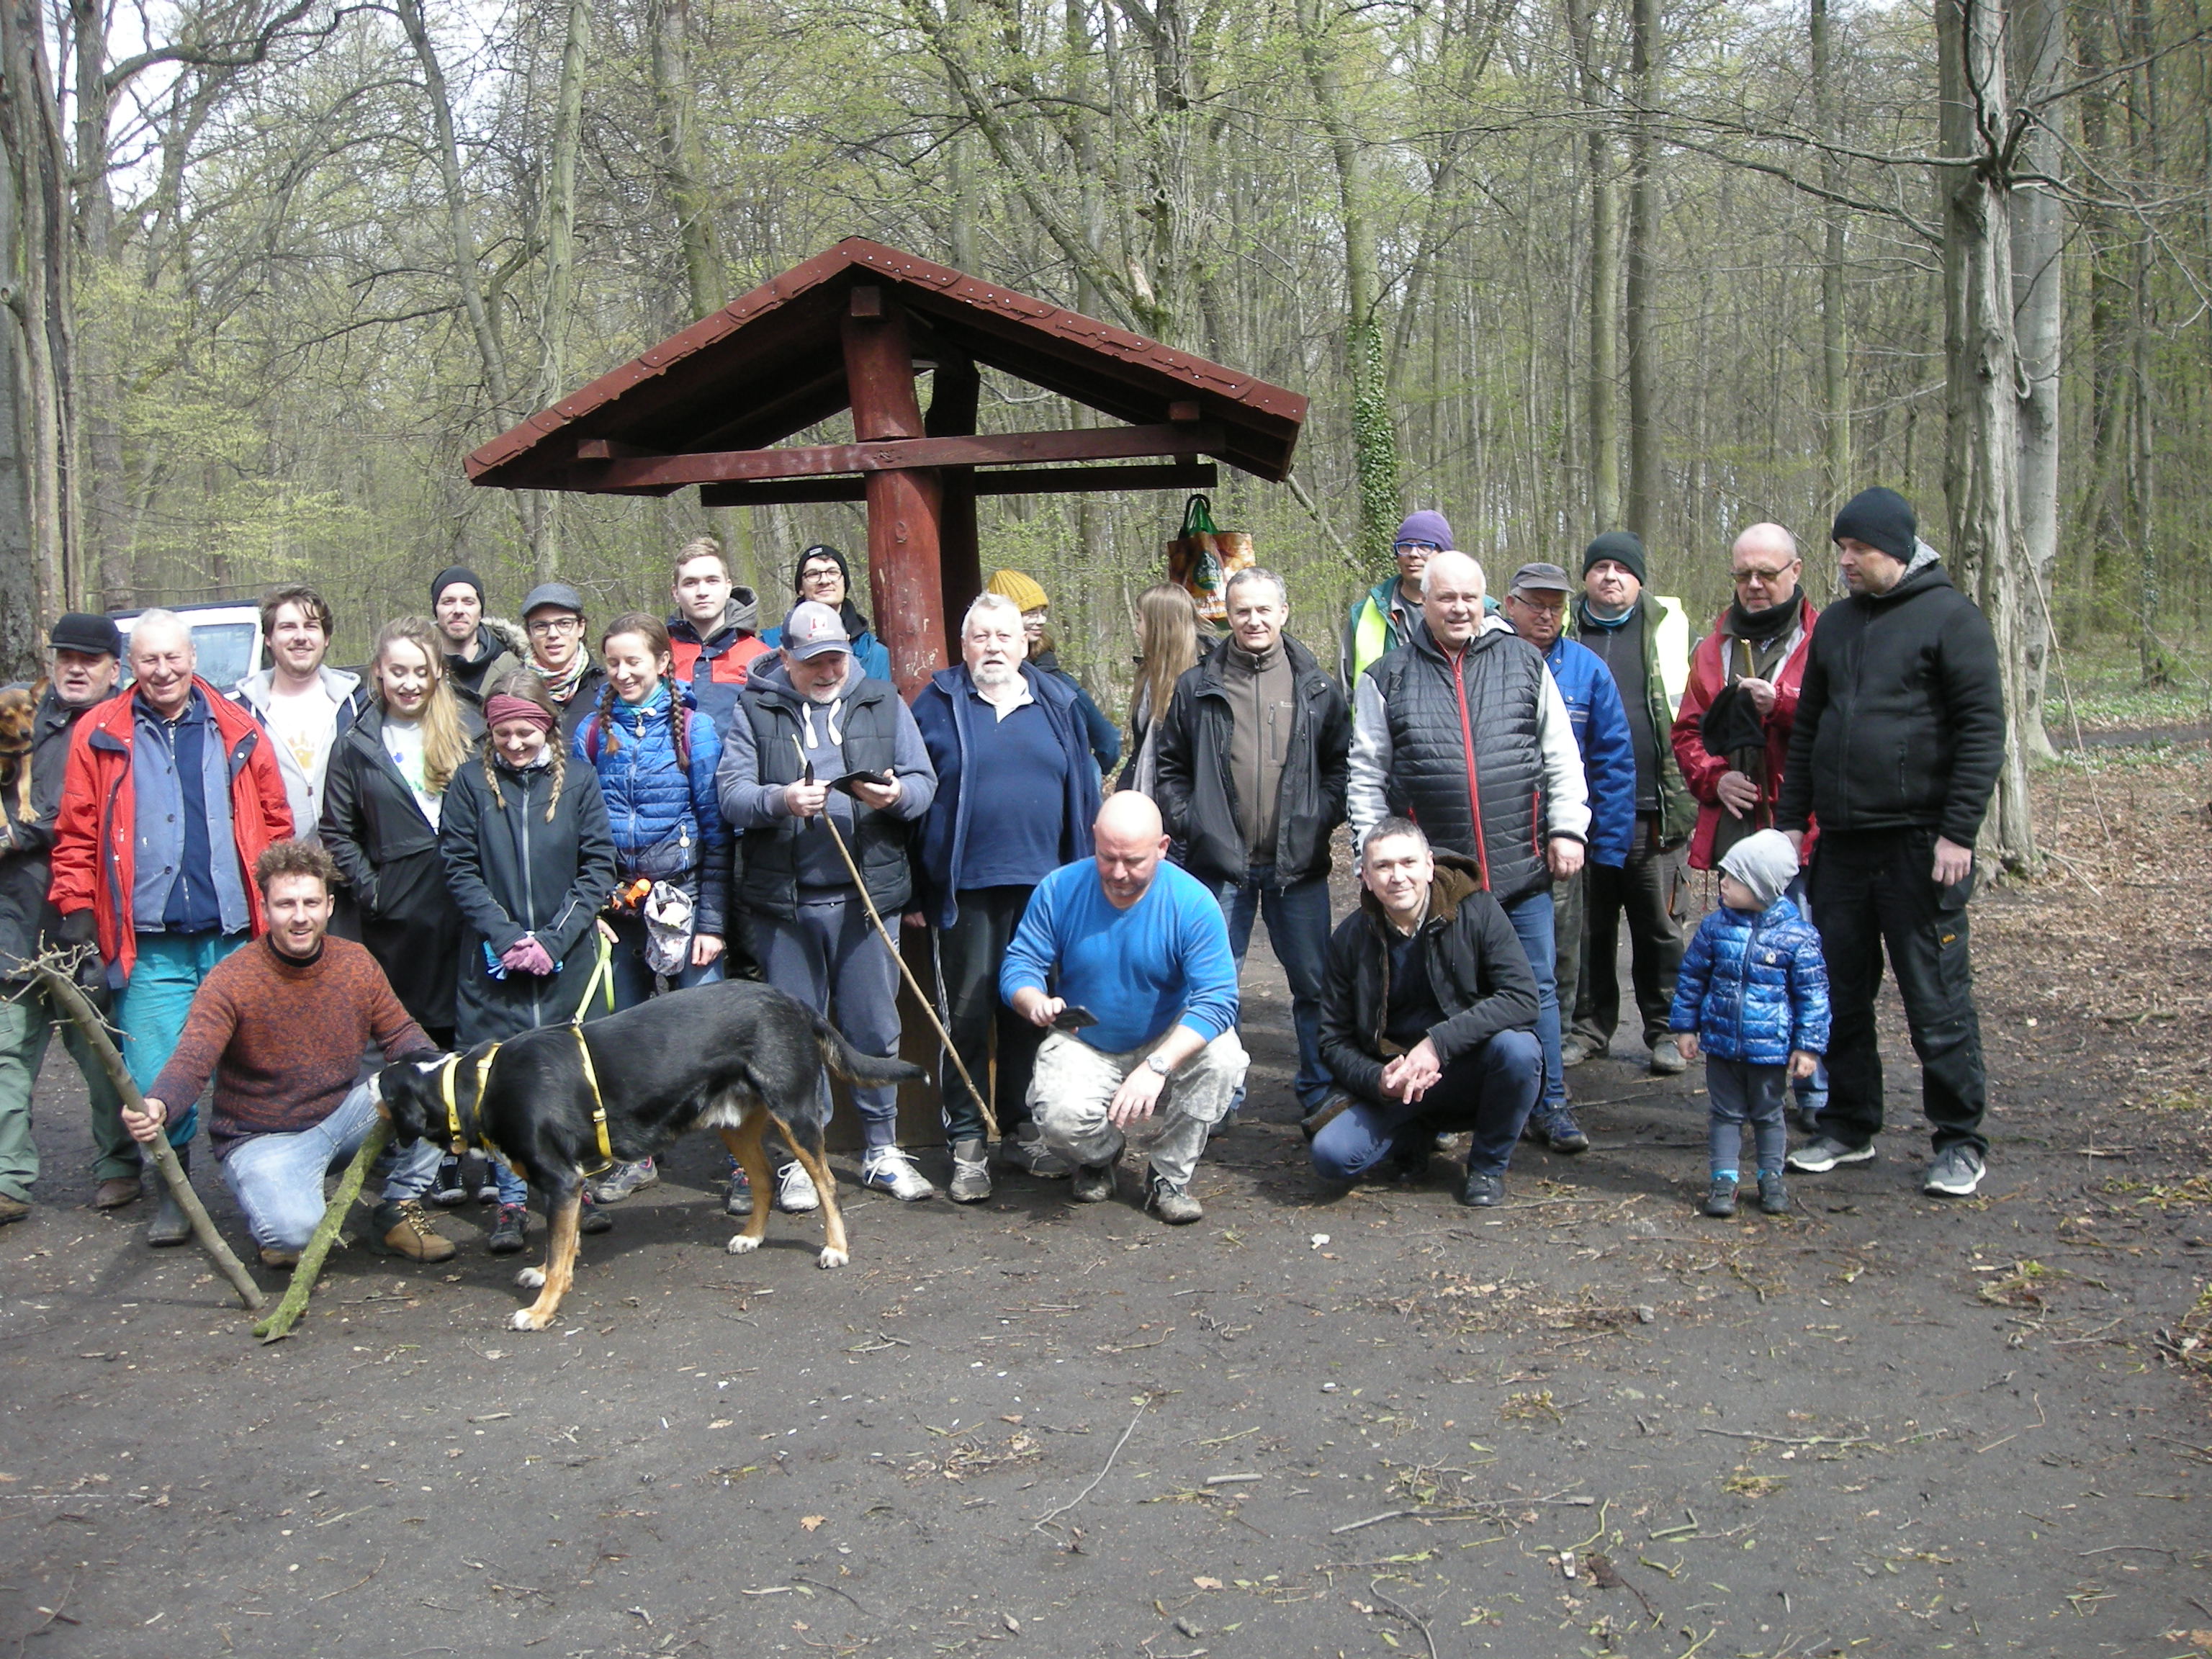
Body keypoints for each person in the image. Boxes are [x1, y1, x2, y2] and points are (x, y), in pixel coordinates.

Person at [1777, 488, 2005, 1198]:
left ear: (1897, 551)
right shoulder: (1837, 626)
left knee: (1935, 1001)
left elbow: (1981, 732)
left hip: (1919, 845)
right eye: (1840, 548)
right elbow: (1809, 726)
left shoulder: (1952, 619)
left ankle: (1960, 1140)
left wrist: (1957, 832)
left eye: (1858, 551)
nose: (1844, 561)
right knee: (1839, 994)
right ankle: (1848, 1125)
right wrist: (1792, 820)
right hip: (1841, 845)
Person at [48, 609, 295, 1246]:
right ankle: (174, 1192)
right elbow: (75, 833)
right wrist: (76, 913)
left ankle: (269, 1187)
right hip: (149, 940)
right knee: (158, 1072)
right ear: (132, 665)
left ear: (193, 659)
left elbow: (274, 820)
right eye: (149, 660)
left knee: (256, 1068)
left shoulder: (238, 727)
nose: (163, 671)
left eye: (173, 659)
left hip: (234, 934)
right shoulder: (99, 733)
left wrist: (281, 901)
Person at [1346, 549, 1589, 1169]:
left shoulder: (1524, 663)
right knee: (1440, 993)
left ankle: (1550, 1104)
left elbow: (1560, 755)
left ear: (1484, 602)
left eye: (1468, 598)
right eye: (1444, 597)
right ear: (1420, 602)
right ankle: (1447, 1107)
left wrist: (1568, 828)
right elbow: (1367, 775)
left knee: (1536, 987)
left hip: (1521, 865)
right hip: (1440, 881)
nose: (1458, 608)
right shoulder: (1386, 676)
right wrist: (1369, 861)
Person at [122, 841, 457, 1267]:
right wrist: (160, 1103)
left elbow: (401, 1034)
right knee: (295, 1233)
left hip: (340, 1120)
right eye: (286, 904)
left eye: (311, 903)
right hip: (262, 1139)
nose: (300, 917)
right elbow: (193, 1058)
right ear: (264, 908)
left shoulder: (355, 963)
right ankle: (276, 1212)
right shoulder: (233, 979)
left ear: (330, 906)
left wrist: (445, 1071)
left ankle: (396, 1211)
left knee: (438, 1082)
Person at [716, 600, 938, 1208]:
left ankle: (882, 1150)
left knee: (873, 1027)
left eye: (836, 657)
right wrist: (780, 800)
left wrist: (894, 795)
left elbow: (925, 785)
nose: (826, 670)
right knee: (793, 1039)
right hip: (784, 905)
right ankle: (801, 1159)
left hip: (868, 901)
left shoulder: (883, 701)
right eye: (812, 660)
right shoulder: (754, 709)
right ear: (785, 657)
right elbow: (731, 795)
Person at [911, 593, 1102, 1202]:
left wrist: (1087, 878)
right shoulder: (937, 704)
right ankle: (968, 1145)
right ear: (963, 645)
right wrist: (918, 886)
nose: (992, 648)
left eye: (1004, 637)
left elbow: (1087, 789)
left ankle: (1022, 1132)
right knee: (965, 1017)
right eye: (980, 637)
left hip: (1047, 890)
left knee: (1032, 1015)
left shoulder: (1058, 701)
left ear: (1025, 645)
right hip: (963, 890)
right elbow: (911, 804)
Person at [1153, 566, 1349, 1128]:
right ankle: (1222, 1095)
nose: (1254, 620)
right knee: (1215, 985)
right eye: (1243, 611)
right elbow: (1171, 769)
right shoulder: (1197, 687)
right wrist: (1196, 823)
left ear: (1284, 613)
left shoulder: (1315, 687)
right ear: (1228, 615)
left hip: (1299, 866)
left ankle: (1319, 1089)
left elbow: (1342, 764)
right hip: (1222, 868)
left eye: (1265, 609)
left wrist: (1320, 817)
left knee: (1313, 984)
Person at [1000, 792, 1246, 1224]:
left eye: (1133, 861)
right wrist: (1033, 1000)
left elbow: (1218, 999)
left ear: (1163, 848)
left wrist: (1157, 1066)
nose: (1118, 873)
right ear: (1093, 839)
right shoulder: (1060, 888)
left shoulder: (1192, 902)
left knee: (1224, 1060)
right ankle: (1100, 1155)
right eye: (1107, 857)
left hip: (1168, 1030)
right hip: (1087, 1036)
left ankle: (1169, 1175)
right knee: (1057, 1116)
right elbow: (1019, 965)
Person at [439, 670, 619, 1253]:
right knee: (497, 1078)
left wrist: (553, 942)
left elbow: (598, 868)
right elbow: (459, 867)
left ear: (546, 727)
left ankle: (576, 1185)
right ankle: (510, 1198)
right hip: (493, 966)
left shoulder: (580, 783)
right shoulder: (469, 784)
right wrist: (509, 937)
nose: (515, 743)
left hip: (567, 961)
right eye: (504, 734)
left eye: (526, 731)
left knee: (571, 1078)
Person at [1671, 523, 1825, 1126]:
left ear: (1796, 571)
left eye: (1767, 573)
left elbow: (1834, 724)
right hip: (1739, 833)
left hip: (1804, 831)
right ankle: (1747, 1100)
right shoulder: (1713, 648)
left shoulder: (1824, 638)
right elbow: (1687, 733)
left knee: (1804, 962)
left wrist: (1780, 705)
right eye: (1744, 575)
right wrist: (1715, 777)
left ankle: (1815, 1097)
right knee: (1741, 961)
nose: (1755, 586)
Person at [575, 612, 731, 1203]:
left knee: (709, 1037)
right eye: (612, 663)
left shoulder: (696, 731)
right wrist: (593, 908)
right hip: (619, 911)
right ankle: (635, 1154)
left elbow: (719, 837)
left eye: (634, 661)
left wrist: (712, 924)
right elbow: (582, 833)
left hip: (687, 901)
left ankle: (740, 1161)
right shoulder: (591, 733)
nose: (623, 673)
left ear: (664, 662)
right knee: (619, 1040)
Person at [1308, 818, 1542, 1206]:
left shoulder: (1478, 910)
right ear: (1365, 876)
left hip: (1467, 1064)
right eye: (1383, 867)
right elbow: (1332, 1040)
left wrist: (1437, 1044)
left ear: (1430, 866)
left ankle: (1487, 1166)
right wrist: (1378, 1080)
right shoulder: (1349, 939)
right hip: (1396, 1078)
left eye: (1408, 863)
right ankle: (1414, 1134)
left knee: (1519, 1050)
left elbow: (1522, 997)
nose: (1397, 877)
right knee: (1331, 1157)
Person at [1496, 561, 1635, 1151]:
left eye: (1556, 605)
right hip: (1493, 844)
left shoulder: (1587, 669)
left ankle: (1552, 1097)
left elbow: (1612, 761)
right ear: (1509, 604)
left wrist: (1600, 842)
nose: (1546, 615)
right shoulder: (1486, 662)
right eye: (1535, 603)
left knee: (1552, 968)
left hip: (1558, 845)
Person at [0, 615, 127, 1224]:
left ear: (113, 669)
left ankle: (119, 1167)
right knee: (8, 1052)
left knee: (99, 1051)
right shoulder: (22, 726)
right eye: (66, 657)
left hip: (87, 921)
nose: (76, 668)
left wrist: (20, 831)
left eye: (90, 659)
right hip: (14, 916)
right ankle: (7, 1179)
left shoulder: (123, 729)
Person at [1566, 531, 1695, 1076]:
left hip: (1654, 810)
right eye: (1600, 567)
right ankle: (1588, 1030)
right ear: (1587, 577)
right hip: (1579, 814)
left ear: (1640, 578)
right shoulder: (1563, 628)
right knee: (1588, 927)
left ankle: (1666, 1031)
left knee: (1659, 929)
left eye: (1622, 568)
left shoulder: (1669, 629)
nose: (1610, 577)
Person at [320, 616, 480, 1046]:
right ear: (378, 671)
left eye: (421, 672)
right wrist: (377, 891)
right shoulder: (355, 746)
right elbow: (337, 832)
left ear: (439, 672)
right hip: (400, 924)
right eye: (398, 671)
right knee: (412, 1047)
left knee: (475, 1047)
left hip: (470, 912)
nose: (410, 683)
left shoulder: (474, 731)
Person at [1668, 830, 1829, 1220]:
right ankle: (1723, 1178)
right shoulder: (1715, 928)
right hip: (1723, 1044)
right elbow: (1692, 978)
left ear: (1763, 887)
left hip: (1769, 1048)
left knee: (1768, 1114)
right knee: (1724, 1113)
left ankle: (1770, 1176)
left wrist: (1807, 1046)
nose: (1723, 883)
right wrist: (1686, 1027)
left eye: (1733, 878)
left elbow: (1814, 996)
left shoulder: (1798, 937)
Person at [230, 584, 362, 847]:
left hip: (351, 866)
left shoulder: (357, 704)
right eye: (288, 627)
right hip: (277, 872)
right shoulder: (240, 714)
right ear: (268, 638)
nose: (301, 637)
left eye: (311, 626)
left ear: (326, 638)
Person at [984, 569, 1120, 776]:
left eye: (1042, 611)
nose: (1041, 620)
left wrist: (1086, 777)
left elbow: (1108, 741)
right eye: (1030, 613)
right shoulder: (982, 683)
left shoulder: (1060, 684)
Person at [665, 534, 770, 732]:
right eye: (690, 583)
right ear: (675, 593)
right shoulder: (658, 657)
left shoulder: (761, 658)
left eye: (712, 581)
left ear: (728, 587)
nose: (702, 591)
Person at [1341, 509, 1449, 685]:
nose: (1413, 554)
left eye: (1424, 547)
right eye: (1405, 546)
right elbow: (1345, 692)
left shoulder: (1475, 612)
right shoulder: (1364, 614)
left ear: (1444, 555)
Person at [759, 544, 891, 682]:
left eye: (833, 572)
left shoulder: (873, 653)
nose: (824, 581)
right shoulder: (769, 645)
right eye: (813, 574)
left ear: (844, 583)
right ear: (800, 588)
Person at [1120, 582, 1206, 796]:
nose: (1137, 629)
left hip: (1178, 811)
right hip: (1141, 805)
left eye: (1141, 619)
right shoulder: (1148, 676)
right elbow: (1140, 751)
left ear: (1160, 626)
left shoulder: (1202, 683)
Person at [519, 582, 607, 742]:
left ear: (581, 628)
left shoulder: (608, 688)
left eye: (564, 624)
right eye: (541, 626)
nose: (553, 634)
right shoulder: (513, 690)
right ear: (529, 634)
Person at [431, 566, 523, 711]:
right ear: (436, 610)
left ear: (480, 611)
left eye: (468, 602)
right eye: (448, 602)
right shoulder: (418, 668)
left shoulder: (511, 668)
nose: (458, 610)